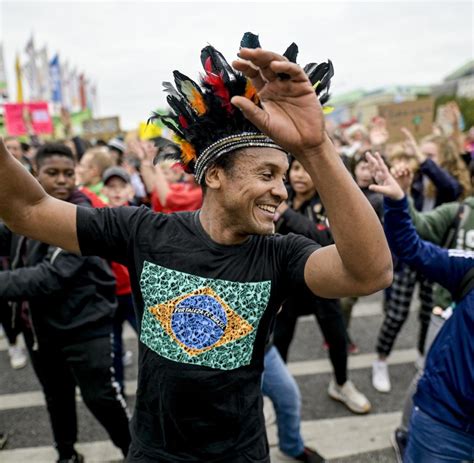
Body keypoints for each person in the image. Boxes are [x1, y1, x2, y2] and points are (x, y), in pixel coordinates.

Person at [0, 37, 392, 462]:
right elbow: (27, 209)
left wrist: (314, 148)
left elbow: (369, 273)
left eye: (284, 174)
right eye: (266, 173)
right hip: (153, 453)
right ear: (216, 175)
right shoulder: (143, 231)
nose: (280, 190)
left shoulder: (280, 254)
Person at [0, 143, 131, 462]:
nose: (62, 180)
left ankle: (136, 452)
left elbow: (49, 277)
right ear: (34, 175)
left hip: (85, 329)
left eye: (69, 174)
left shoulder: (82, 216)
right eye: (52, 173)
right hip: (42, 333)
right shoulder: (24, 215)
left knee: (101, 398)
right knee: (56, 398)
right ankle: (66, 455)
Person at [367, 151, 474, 463]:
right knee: (399, 320)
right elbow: (413, 246)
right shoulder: (468, 261)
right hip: (444, 424)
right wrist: (399, 201)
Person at [273, 158, 371, 414]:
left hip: (323, 284)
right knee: (280, 339)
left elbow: (323, 238)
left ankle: (341, 384)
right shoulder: (282, 194)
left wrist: (286, 214)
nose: (300, 175)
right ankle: (275, 394)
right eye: (296, 169)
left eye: (307, 169)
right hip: (289, 286)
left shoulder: (325, 202)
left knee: (337, 337)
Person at [372, 129, 466, 393]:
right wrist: (403, 190)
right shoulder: (412, 181)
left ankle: (422, 354)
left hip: (435, 260)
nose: (422, 159)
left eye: (430, 155)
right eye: (421, 155)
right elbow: (404, 218)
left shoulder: (448, 186)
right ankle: (381, 359)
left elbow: (452, 188)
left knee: (428, 313)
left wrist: (422, 159)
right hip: (409, 258)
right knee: (397, 314)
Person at [102, 165, 139, 393]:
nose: (116, 191)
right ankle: (120, 391)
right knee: (113, 348)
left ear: (129, 191)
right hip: (109, 297)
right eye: (110, 186)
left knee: (149, 342)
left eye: (121, 186)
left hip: (134, 296)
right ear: (104, 190)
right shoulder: (99, 218)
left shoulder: (140, 218)